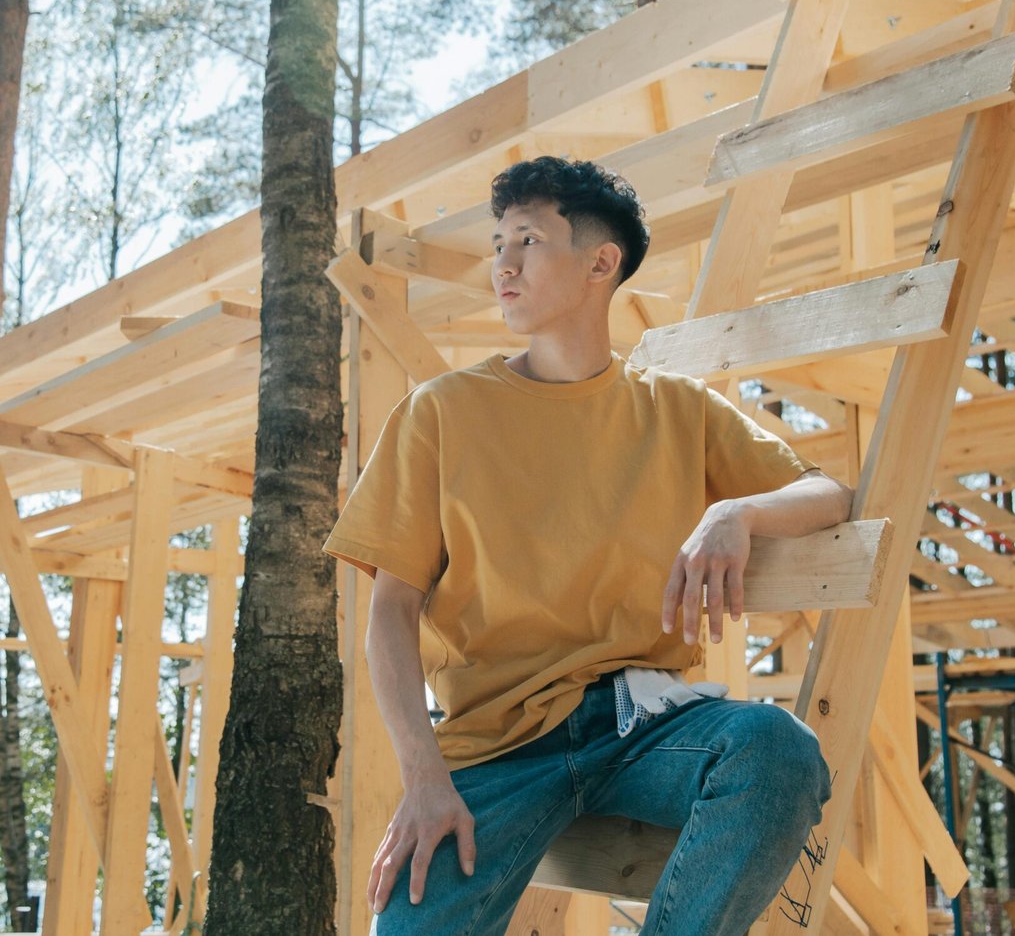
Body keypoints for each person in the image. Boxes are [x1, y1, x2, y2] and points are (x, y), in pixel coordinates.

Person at [323, 156, 851, 935]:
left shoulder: (677, 409)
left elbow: (827, 492)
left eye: (528, 240)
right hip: (493, 747)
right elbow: (391, 611)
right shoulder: (439, 413)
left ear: (601, 262)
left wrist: (736, 511)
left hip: (647, 727)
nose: (502, 262)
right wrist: (423, 776)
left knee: (778, 751)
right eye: (500, 241)